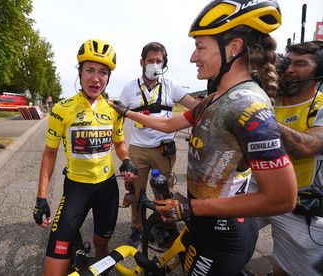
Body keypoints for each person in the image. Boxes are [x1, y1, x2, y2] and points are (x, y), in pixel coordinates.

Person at [109, 0, 297, 274]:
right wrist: (128, 113)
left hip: (223, 236)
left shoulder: (248, 106)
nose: (192, 58)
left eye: (200, 47)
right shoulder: (215, 98)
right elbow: (170, 123)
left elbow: (283, 198)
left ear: (233, 48)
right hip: (204, 225)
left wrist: (192, 208)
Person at [33, 38, 138, 276]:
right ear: (79, 72)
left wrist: (126, 159)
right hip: (76, 189)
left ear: (109, 77)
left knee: (102, 244)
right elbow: (50, 154)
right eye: (89, 70)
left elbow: (119, 143)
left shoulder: (114, 110)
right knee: (55, 262)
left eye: (103, 72)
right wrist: (41, 198)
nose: (96, 78)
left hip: (107, 189)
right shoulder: (62, 109)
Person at [119, 41, 199, 247]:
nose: (155, 65)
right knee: (136, 193)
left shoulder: (171, 84)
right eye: (150, 61)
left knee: (164, 194)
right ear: (141, 62)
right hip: (138, 150)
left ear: (164, 63)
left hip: (164, 150)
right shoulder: (129, 88)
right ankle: (137, 228)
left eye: (159, 61)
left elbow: (195, 106)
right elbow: (117, 118)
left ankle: (165, 227)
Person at [256, 41, 323, 276]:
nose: (290, 69)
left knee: (292, 268)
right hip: (259, 188)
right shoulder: (268, 99)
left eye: (301, 64)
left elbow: (305, 147)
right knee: (222, 232)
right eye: (288, 63)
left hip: (300, 202)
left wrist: (257, 116)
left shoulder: (321, 106)